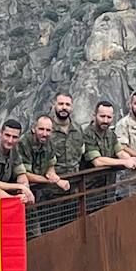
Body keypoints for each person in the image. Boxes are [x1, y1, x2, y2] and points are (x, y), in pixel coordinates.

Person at [82, 101, 136, 211]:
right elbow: (97, 161)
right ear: (94, 115)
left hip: (108, 191)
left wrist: (130, 159)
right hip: (90, 194)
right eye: (102, 116)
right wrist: (124, 162)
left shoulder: (110, 134)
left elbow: (119, 151)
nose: (105, 120)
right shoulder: (87, 134)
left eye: (108, 117)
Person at [18, 115, 69, 236]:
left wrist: (53, 175)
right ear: (33, 129)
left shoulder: (49, 143)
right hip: (24, 194)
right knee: (31, 233)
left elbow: (51, 164)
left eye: (48, 130)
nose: (44, 133)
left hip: (42, 195)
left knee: (48, 228)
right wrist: (53, 181)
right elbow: (24, 173)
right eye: (41, 129)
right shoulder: (23, 144)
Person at [48, 93, 87, 225]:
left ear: (72, 107)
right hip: (51, 191)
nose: (64, 107)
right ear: (54, 105)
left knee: (73, 226)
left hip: (74, 189)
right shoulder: (46, 129)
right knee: (50, 229)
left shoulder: (77, 129)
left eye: (67, 104)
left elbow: (82, 154)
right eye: (60, 104)